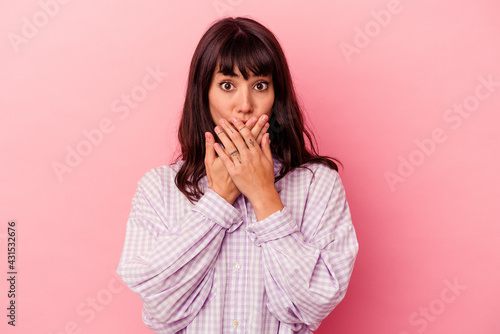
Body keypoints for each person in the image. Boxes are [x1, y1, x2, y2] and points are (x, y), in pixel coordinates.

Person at [116, 16, 359, 334]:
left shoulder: (317, 185)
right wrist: (217, 199)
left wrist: (263, 195)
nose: (245, 105)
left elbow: (315, 302)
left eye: (260, 85)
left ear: (276, 95)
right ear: (204, 93)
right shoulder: (159, 187)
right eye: (227, 85)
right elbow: (160, 307)